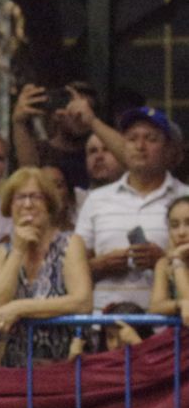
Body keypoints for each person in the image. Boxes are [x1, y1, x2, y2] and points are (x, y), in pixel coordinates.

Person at [74, 106, 186, 311]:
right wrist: (101, 265)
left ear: (169, 149)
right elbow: (72, 270)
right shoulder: (97, 199)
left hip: (169, 331)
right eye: (132, 138)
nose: (140, 146)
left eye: (151, 139)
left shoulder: (185, 198)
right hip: (106, 329)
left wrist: (162, 262)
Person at [0, 167, 91, 366]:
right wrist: (17, 251)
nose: (28, 204)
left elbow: (82, 301)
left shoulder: (70, 243)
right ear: (9, 206)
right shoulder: (1, 252)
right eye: (20, 198)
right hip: (16, 367)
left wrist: (19, 308)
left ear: (48, 203)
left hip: (66, 366)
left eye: (36, 197)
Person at [11, 82, 128, 191]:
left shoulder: (102, 150)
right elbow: (28, 175)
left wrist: (92, 121)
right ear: (57, 113)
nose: (78, 114)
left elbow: (131, 159)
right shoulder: (42, 151)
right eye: (72, 106)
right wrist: (19, 122)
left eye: (86, 108)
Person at [147, 194, 189, 325]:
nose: (181, 232)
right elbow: (155, 307)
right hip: (177, 338)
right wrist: (179, 305)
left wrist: (177, 261)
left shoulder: (173, 260)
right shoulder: (164, 263)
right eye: (175, 225)